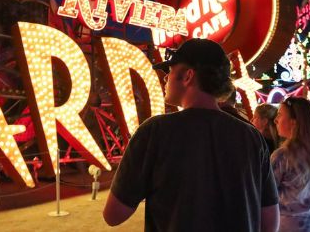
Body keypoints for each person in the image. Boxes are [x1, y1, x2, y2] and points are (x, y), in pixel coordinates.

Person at [103, 39, 279, 232]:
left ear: (188, 76)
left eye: (170, 71)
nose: (165, 78)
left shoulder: (154, 132)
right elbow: (270, 223)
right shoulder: (251, 137)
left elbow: (113, 214)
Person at [272, 98, 310, 232]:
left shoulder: (283, 156)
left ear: (294, 122)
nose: (275, 120)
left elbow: (267, 196)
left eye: (280, 115)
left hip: (291, 227)